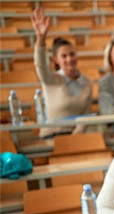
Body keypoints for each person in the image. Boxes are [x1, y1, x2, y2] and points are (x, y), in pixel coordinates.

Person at [30, 7, 93, 138]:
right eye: (64, 56)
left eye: (72, 54)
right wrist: (41, 39)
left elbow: (86, 116)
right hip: (52, 135)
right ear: (56, 60)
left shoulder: (87, 83)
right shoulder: (51, 79)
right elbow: (40, 65)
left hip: (76, 137)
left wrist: (74, 138)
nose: (69, 59)